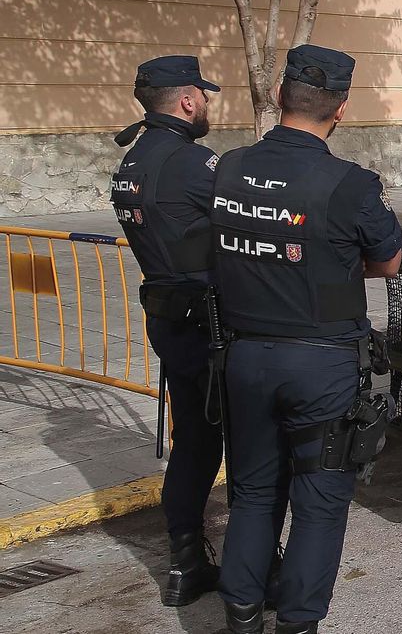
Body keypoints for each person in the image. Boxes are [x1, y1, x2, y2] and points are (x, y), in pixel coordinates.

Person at [211, 44, 402, 634]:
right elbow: (390, 263)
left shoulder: (227, 167)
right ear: (340, 109)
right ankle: (297, 623)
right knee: (318, 506)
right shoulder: (350, 185)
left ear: (279, 97)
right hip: (320, 366)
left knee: (251, 493)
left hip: (244, 357)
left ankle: (242, 615)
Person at [110, 55, 227, 607]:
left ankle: (185, 565)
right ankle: (262, 569)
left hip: (168, 317)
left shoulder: (132, 161)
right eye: (202, 94)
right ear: (186, 100)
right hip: (210, 323)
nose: (207, 103)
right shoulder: (190, 163)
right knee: (250, 440)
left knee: (195, 445)